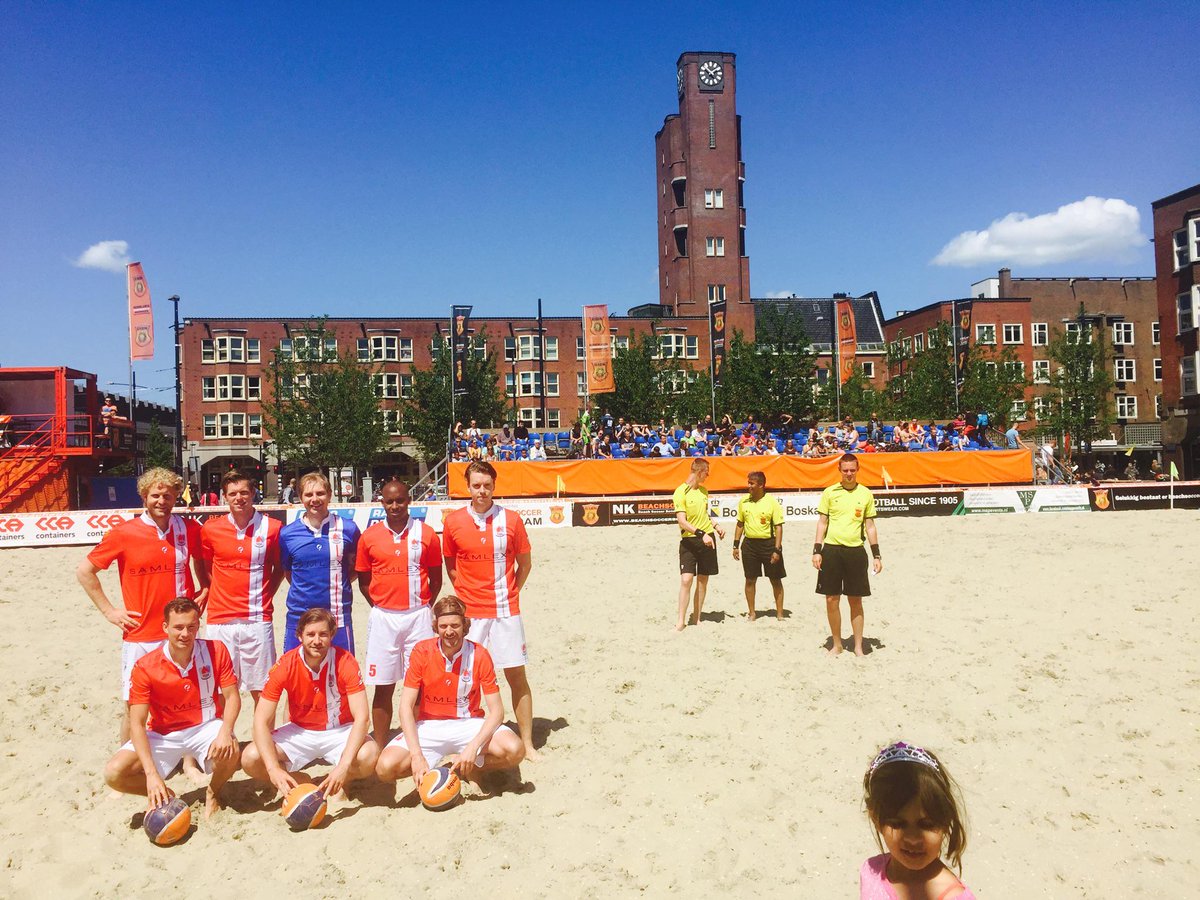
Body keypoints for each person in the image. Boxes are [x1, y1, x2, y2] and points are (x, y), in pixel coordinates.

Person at [77, 467, 208, 743]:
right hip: (140, 634)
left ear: (176, 499)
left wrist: (205, 586)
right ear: (144, 497)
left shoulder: (189, 529)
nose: (162, 501)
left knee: (183, 699)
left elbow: (202, 561)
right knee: (134, 706)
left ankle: (187, 761)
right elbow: (85, 571)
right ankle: (128, 763)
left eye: (169, 496)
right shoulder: (124, 533)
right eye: (156, 495)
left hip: (179, 634)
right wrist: (109, 611)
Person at [103, 598, 240, 820]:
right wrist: (151, 775)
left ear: (198, 625)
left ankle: (213, 792)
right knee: (114, 773)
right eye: (178, 627)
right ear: (165, 627)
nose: (185, 633)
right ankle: (164, 795)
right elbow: (137, 723)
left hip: (204, 726)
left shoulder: (215, 650)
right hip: (163, 734)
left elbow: (232, 696)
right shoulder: (146, 666)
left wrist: (225, 732)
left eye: (191, 626)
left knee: (231, 749)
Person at [441, 461, 539, 761]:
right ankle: (468, 739)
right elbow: (452, 567)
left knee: (515, 675)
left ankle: (528, 743)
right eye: (476, 485)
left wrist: (510, 592)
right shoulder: (454, 521)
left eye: (487, 485)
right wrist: (469, 597)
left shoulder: (511, 520)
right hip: (471, 615)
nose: (481, 491)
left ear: (494, 486)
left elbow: (525, 564)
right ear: (467, 487)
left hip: (505, 611)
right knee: (467, 679)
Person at [376, 595, 524, 789]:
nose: (449, 632)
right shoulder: (422, 652)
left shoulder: (479, 654)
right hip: (429, 725)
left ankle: (472, 768)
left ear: (465, 625)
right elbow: (405, 707)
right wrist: (417, 755)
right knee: (384, 769)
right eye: (443, 626)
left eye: (455, 625)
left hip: (468, 723)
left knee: (515, 751)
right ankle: (438, 774)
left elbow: (497, 711)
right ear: (436, 626)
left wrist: (473, 748)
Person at [240, 609, 378, 801]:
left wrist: (343, 767)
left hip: (339, 729)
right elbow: (261, 721)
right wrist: (272, 769)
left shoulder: (345, 661)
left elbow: (362, 718)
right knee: (250, 758)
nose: (317, 641)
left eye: (323, 634)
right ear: (299, 636)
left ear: (332, 635)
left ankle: (341, 782)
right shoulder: (286, 664)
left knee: (369, 755)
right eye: (310, 634)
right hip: (300, 730)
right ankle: (299, 781)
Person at [355, 480, 442, 748]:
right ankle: (381, 744)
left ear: (409, 500)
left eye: (400, 500)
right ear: (381, 503)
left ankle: (415, 743)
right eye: (389, 501)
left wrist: (422, 606)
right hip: (384, 618)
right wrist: (383, 606)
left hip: (418, 616)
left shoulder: (426, 533)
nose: (395, 506)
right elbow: (364, 581)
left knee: (419, 684)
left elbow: (436, 579)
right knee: (383, 685)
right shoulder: (369, 536)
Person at [199, 470, 284, 706]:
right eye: (233, 493)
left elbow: (279, 568)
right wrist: (211, 589)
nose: (239, 498)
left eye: (244, 492)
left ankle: (262, 740)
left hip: (257, 620)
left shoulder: (273, 527)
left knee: (263, 690)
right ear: (224, 496)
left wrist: (268, 592)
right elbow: (206, 566)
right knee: (220, 689)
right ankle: (225, 739)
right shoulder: (211, 528)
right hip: (219, 620)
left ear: (253, 493)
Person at [860, 741, 975, 899]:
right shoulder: (871, 872)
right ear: (876, 819)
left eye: (927, 825)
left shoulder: (953, 896)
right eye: (897, 824)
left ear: (946, 820)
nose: (913, 839)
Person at [279, 472, 360, 653]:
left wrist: (339, 581)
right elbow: (289, 573)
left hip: (337, 617)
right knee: (297, 677)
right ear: (300, 498)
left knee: (341, 677)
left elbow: (355, 568)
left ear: (329, 494)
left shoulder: (349, 529)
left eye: (320, 493)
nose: (315, 499)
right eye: (308, 495)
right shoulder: (287, 534)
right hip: (299, 618)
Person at [813, 453, 882, 657]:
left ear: (858, 469)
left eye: (852, 470)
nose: (849, 474)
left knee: (855, 600)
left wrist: (877, 555)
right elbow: (822, 523)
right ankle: (837, 644)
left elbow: (870, 527)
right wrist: (817, 550)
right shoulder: (829, 492)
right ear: (839, 471)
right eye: (845, 470)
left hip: (855, 552)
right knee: (831, 599)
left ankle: (858, 646)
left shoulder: (866, 494)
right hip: (832, 550)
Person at [673, 458, 725, 631]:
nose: (708, 476)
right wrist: (701, 534)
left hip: (707, 538)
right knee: (686, 579)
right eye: (706, 472)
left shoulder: (703, 491)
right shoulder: (681, 492)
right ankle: (680, 620)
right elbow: (682, 521)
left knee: (702, 580)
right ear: (699, 471)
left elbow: (706, 513)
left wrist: (716, 526)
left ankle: (697, 617)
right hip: (690, 540)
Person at [731, 471, 785, 622]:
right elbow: (740, 524)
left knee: (775, 579)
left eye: (752, 483)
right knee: (750, 579)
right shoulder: (744, 502)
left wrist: (777, 549)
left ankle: (780, 614)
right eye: (748, 482)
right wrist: (735, 545)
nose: (749, 486)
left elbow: (779, 527)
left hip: (768, 544)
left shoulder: (772, 502)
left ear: (761, 485)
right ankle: (752, 612)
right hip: (749, 545)